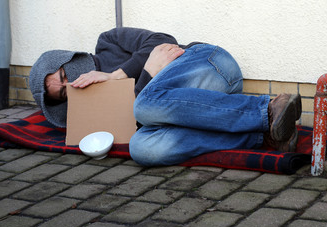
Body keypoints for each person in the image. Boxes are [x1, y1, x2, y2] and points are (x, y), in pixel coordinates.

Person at [29, 27, 301, 166]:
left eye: (64, 76)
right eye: (63, 92)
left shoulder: (107, 42)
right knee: (141, 149)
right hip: (206, 109)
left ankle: (265, 110)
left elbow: (161, 39)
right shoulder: (96, 114)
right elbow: (140, 121)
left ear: (66, 60)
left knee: (143, 105)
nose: (71, 84)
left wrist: (116, 76)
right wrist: (148, 73)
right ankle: (261, 134)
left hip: (210, 65)